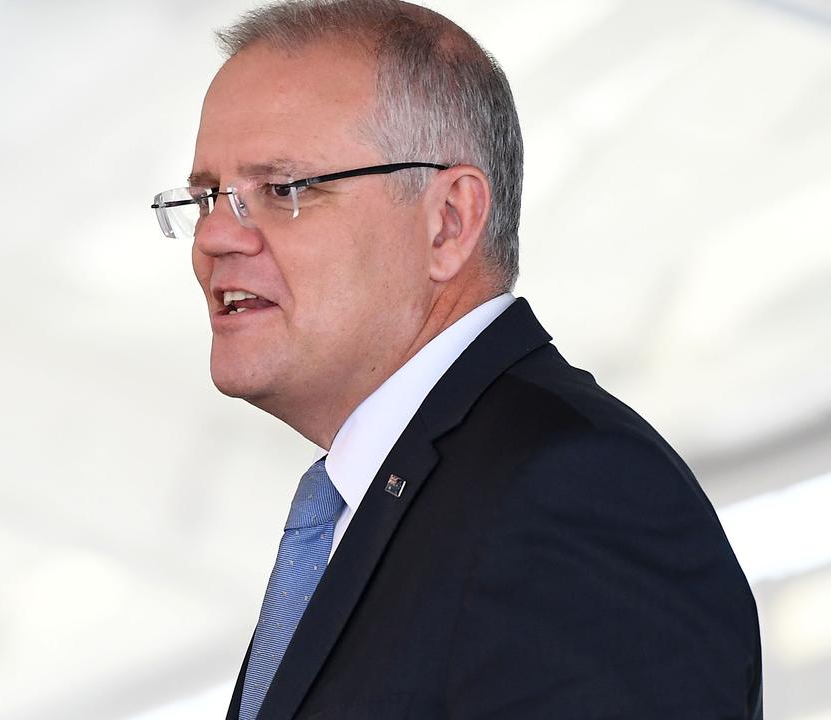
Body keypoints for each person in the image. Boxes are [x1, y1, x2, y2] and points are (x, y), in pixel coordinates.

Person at [149, 1, 763, 718]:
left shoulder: (574, 491)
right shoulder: (380, 503)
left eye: (284, 189)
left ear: (449, 221)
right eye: (205, 197)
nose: (216, 236)